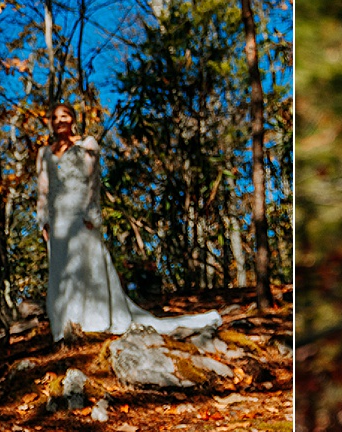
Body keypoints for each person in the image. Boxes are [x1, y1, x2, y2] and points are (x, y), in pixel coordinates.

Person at [36, 100, 220, 340]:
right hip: (58, 219)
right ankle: (66, 326)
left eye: (64, 116)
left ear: (72, 119)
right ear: (50, 123)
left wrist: (91, 213)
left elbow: (93, 183)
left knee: (88, 264)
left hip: (80, 216)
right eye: (55, 118)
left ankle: (95, 320)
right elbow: (42, 189)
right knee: (61, 271)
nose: (60, 121)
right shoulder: (44, 153)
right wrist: (43, 221)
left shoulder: (87, 144)